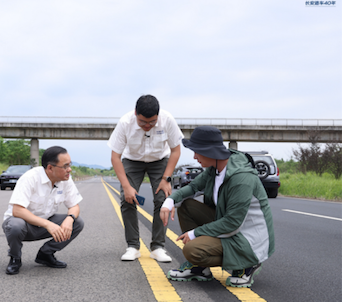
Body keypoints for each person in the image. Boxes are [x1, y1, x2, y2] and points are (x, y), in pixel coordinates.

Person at [160, 126, 275, 288]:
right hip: (231, 227)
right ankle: (200, 269)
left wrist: (195, 233)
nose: (194, 156)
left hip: (248, 240)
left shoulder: (241, 178)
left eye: (197, 151)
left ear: (210, 151)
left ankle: (247, 263)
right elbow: (192, 188)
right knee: (187, 206)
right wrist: (169, 201)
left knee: (192, 250)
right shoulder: (215, 169)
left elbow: (232, 224)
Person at [108, 94, 184, 262]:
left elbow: (176, 151)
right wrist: (127, 186)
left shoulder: (167, 120)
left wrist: (166, 178)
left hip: (159, 160)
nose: (148, 126)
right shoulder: (125, 123)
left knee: (162, 199)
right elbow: (115, 157)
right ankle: (133, 247)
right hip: (132, 160)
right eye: (143, 122)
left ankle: (158, 247)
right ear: (135, 113)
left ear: (158, 115)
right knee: (127, 199)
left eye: (152, 122)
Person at [2, 146, 84, 275]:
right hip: (24, 226)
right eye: (65, 166)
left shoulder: (65, 180)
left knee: (77, 222)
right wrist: (48, 224)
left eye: (70, 165)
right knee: (15, 225)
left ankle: (45, 254)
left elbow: (74, 206)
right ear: (50, 168)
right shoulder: (30, 178)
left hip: (45, 224)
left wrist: (70, 219)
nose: (69, 169)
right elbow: (17, 211)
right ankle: (15, 258)